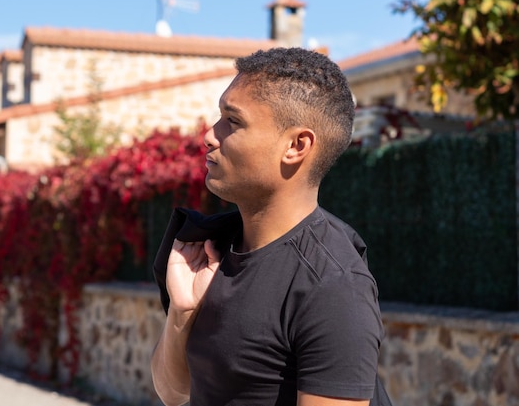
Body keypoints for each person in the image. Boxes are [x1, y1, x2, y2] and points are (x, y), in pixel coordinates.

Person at [150, 47, 387, 406]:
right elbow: (172, 392)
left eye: (233, 121)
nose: (211, 136)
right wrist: (183, 313)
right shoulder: (212, 250)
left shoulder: (333, 287)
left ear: (295, 146)